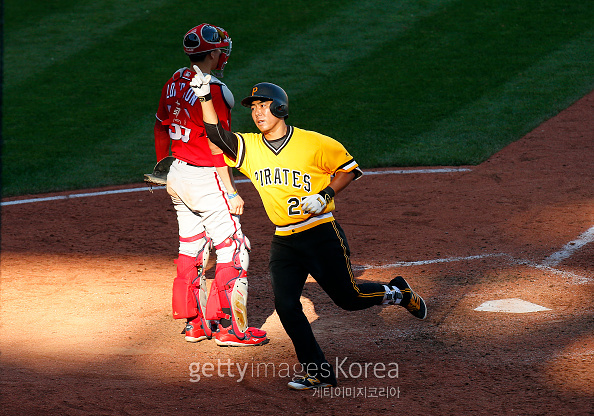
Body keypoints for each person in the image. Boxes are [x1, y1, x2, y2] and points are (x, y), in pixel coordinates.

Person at [190, 72, 427, 388]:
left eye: (265, 105)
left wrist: (325, 195)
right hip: (284, 241)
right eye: (254, 107)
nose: (258, 112)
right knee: (286, 306)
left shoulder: (313, 143)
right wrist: (205, 98)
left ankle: (399, 293)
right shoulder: (250, 147)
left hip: (320, 234)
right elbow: (215, 134)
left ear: (281, 109)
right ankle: (318, 370)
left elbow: (349, 170)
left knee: (349, 298)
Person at [153, 24, 267, 347]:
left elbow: (160, 123)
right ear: (214, 53)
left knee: (190, 247)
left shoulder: (172, 82)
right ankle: (232, 328)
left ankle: (195, 324)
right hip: (206, 177)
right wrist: (230, 190)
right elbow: (218, 145)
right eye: (220, 50)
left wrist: (164, 165)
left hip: (177, 174)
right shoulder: (215, 91)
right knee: (235, 247)